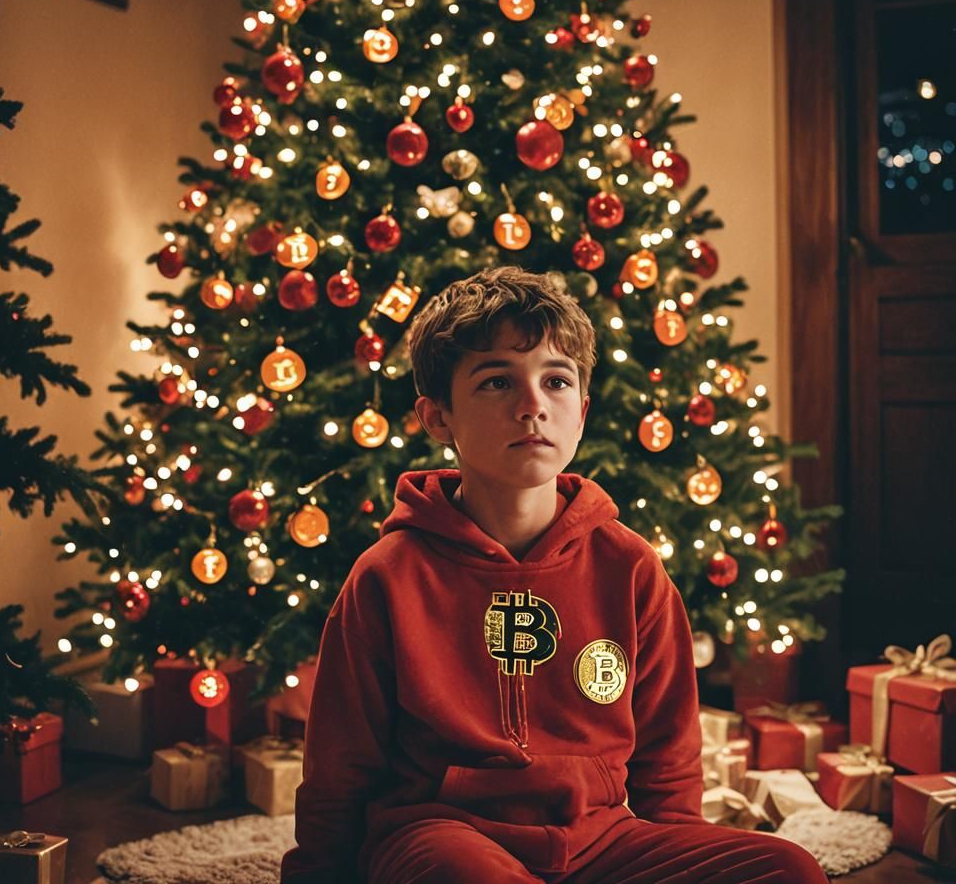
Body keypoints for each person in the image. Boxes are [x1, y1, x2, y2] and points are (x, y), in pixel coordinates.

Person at [280, 266, 827, 884]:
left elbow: (668, 761)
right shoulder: (387, 576)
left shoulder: (631, 567)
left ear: (582, 411)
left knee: (788, 868)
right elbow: (338, 771)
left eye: (556, 380)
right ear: (437, 418)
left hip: (598, 839)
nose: (533, 406)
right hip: (441, 837)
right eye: (496, 382)